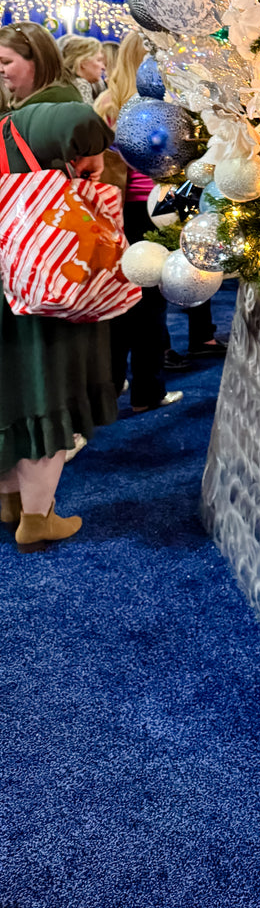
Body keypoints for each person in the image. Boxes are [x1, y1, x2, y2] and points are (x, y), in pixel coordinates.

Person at [0, 51, 117, 549]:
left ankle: (10, 503)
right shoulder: (29, 119)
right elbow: (80, 121)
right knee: (46, 396)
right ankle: (37, 517)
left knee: (11, 399)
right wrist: (94, 155)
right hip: (41, 288)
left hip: (10, 284)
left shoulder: (16, 122)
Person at [95, 32, 181, 413]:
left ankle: (112, 386)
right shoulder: (163, 104)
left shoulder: (107, 103)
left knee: (118, 302)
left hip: (113, 211)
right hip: (154, 210)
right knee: (151, 306)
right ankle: (148, 392)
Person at [58, 35, 108, 104]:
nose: (103, 67)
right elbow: (88, 111)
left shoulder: (64, 84)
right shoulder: (80, 85)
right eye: (98, 60)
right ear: (82, 63)